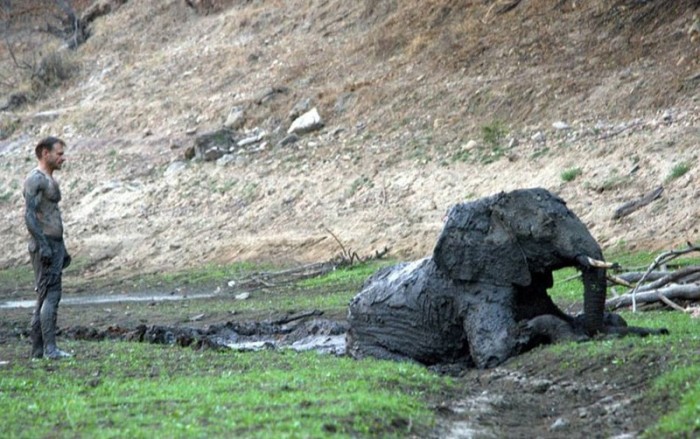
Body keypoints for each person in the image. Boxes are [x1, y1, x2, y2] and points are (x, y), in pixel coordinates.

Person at [23, 136, 72, 359]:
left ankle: (38, 351)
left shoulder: (50, 180)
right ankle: (49, 349)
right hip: (45, 245)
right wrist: (44, 246)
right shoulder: (35, 180)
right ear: (45, 153)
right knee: (51, 295)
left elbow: (51, 215)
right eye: (59, 153)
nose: (63, 158)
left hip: (54, 244)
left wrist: (62, 248)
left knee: (45, 296)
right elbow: (30, 216)